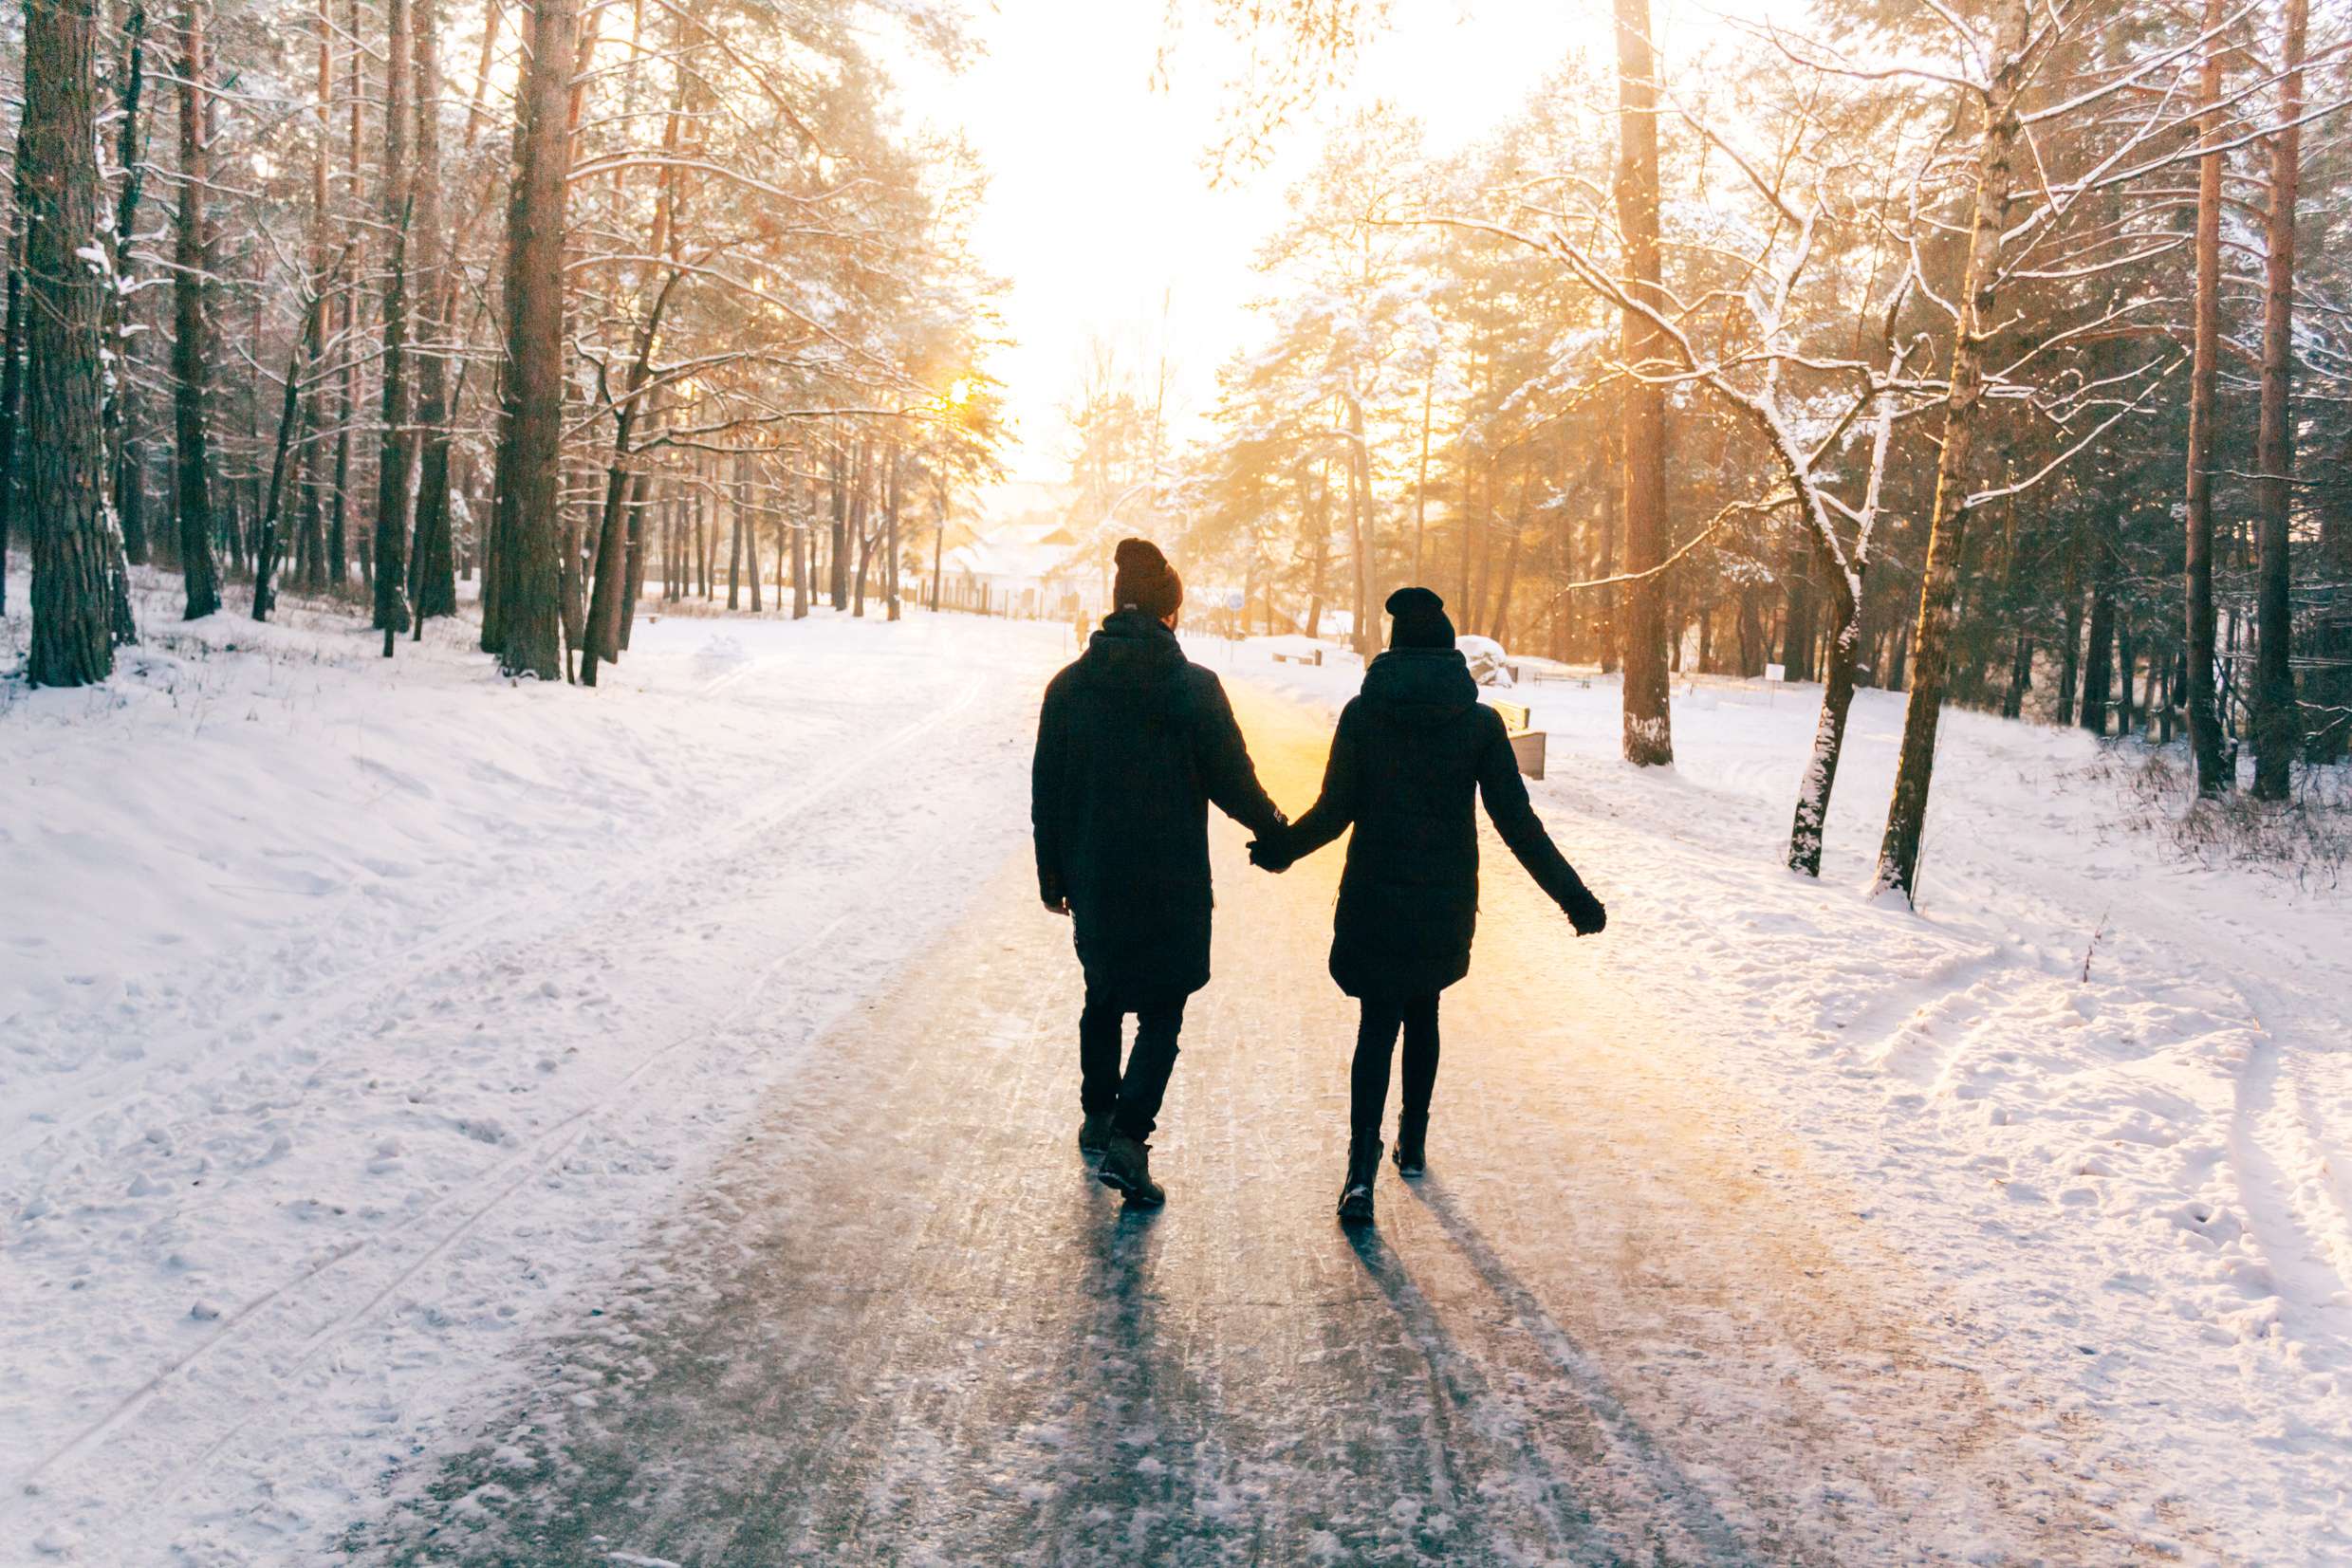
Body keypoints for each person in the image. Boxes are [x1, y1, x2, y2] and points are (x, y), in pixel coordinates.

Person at [1250, 586, 1607, 1226]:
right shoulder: (1477, 724)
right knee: (1424, 1008)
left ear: (1393, 649)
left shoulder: (1364, 713)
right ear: (1448, 652)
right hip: (1442, 901)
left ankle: (1359, 1171)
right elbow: (1516, 823)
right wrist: (1572, 896)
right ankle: (1412, 1139)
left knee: (1375, 1023)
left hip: (1373, 895)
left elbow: (1334, 813)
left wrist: (1282, 850)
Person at [1031, 539, 1287, 1208]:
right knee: (1162, 1012)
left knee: (1102, 993)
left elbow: (1047, 791)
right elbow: (1233, 780)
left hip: (1096, 876)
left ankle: (1096, 1114)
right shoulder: (1192, 688)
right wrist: (1275, 830)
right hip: (1170, 880)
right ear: (1172, 613)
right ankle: (1128, 1140)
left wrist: (1051, 874)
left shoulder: (1068, 688)